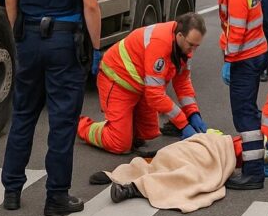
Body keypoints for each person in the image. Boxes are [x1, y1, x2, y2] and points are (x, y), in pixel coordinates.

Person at [1, 0, 102, 216]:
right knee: (61, 121)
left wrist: (18, 36)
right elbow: (90, 3)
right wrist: (96, 48)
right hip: (63, 42)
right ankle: (56, 198)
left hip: (29, 39)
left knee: (23, 115)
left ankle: (12, 190)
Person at [78, 13, 209, 154]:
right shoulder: (161, 44)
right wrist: (183, 124)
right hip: (118, 81)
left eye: (197, 46)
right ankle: (81, 126)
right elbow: (155, 95)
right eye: (191, 45)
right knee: (120, 144)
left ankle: (123, 124)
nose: (193, 51)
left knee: (149, 133)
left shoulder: (184, 48)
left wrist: (193, 113)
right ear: (180, 36)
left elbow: (182, 84)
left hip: (141, 87)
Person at [208, 0, 268, 190]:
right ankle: (255, 162)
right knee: (250, 111)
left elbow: (237, 31)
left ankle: (253, 173)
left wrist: (228, 60)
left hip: (244, 57)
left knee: (244, 116)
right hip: (257, 51)